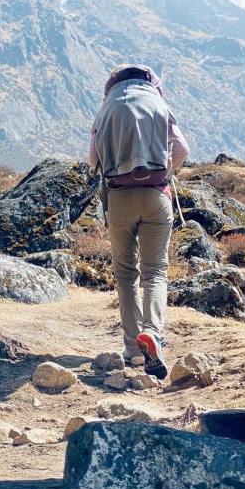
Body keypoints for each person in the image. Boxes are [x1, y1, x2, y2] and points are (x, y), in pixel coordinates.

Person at [89, 64, 189, 380]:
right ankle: (153, 334)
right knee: (155, 271)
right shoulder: (159, 105)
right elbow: (182, 149)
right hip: (156, 196)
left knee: (125, 273)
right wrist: (165, 170)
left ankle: (133, 348)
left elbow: (93, 161)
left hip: (118, 199)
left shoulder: (106, 111)